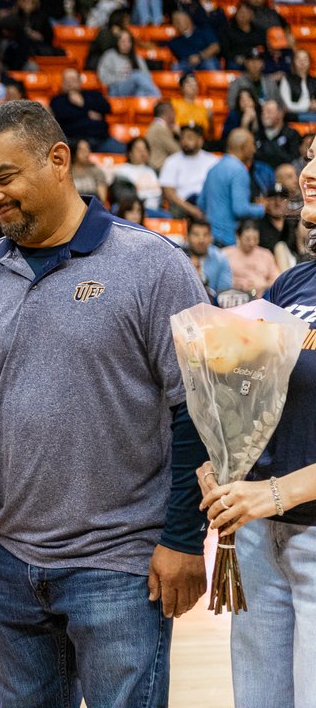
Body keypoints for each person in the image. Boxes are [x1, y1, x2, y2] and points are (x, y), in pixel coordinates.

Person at [0, 100, 210, 707]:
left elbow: (196, 412)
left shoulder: (153, 266)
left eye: (4, 179)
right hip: (6, 562)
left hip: (121, 562)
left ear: (59, 161)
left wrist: (185, 538)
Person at [195, 165, 316, 705]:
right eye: (309, 156)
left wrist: (274, 492)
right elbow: (242, 388)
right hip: (260, 535)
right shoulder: (293, 282)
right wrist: (218, 455)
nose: (307, 170)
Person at [49, 68, 123, 154]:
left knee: (123, 150)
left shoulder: (93, 94)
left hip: (101, 139)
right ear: (62, 84)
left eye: (73, 79)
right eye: (67, 80)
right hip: (75, 142)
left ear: (80, 81)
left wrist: (83, 104)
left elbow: (107, 108)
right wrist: (87, 113)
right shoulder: (57, 100)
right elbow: (64, 116)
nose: (70, 83)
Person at [160, 122, 218, 221]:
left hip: (206, 202)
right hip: (182, 205)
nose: (185, 141)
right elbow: (169, 192)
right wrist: (192, 210)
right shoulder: (172, 161)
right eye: (183, 138)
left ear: (200, 141)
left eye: (190, 138)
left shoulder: (213, 161)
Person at [221, 218, 281, 294]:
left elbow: (277, 278)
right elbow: (220, 280)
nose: (252, 243)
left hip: (262, 295)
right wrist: (238, 283)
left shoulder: (266, 254)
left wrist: (264, 285)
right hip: (234, 296)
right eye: (247, 239)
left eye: (255, 239)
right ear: (238, 236)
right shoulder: (225, 254)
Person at [97, 28, 159, 98]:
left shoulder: (136, 57)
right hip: (116, 89)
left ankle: (155, 103)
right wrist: (124, 78)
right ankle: (159, 99)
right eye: (123, 41)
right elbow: (103, 77)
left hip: (134, 91)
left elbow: (146, 76)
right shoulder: (109, 55)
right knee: (137, 75)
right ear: (117, 42)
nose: (126, 44)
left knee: (141, 93)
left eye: (128, 41)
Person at [113, 136, 163, 212]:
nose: (143, 153)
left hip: (156, 210)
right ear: (130, 153)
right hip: (134, 210)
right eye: (139, 150)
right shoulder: (122, 171)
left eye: (145, 149)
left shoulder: (154, 170)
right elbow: (123, 197)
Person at [185, 217, 233, 294]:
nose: (201, 240)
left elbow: (225, 293)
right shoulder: (177, 256)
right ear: (187, 237)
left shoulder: (221, 258)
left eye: (205, 235)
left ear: (211, 237)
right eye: (196, 235)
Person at [144, 100, 180, 171]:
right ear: (169, 112)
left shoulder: (155, 126)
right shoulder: (160, 129)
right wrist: (179, 134)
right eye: (174, 112)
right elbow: (177, 151)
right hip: (158, 169)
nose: (175, 115)